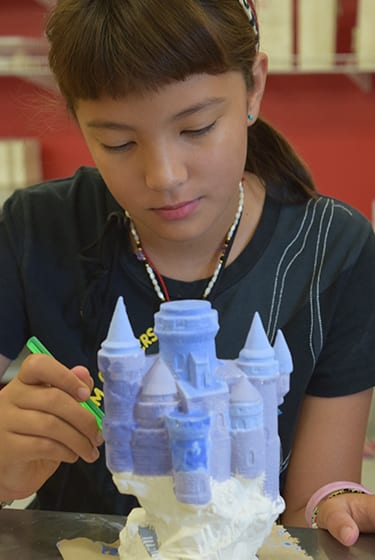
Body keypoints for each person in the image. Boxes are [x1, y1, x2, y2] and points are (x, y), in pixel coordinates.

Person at [0, 0, 374, 549]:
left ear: (254, 90)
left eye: (197, 128)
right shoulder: (34, 230)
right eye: (119, 142)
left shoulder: (330, 250)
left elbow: (310, 505)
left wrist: (334, 507)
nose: (165, 177)